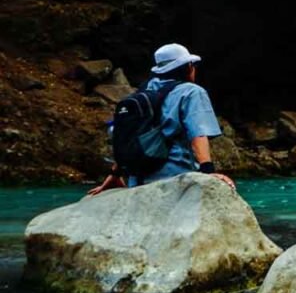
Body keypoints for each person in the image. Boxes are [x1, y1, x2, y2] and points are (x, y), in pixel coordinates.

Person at [88, 43, 235, 195]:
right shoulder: (192, 92)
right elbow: (198, 134)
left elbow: (130, 137)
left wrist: (115, 174)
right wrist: (208, 172)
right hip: (175, 178)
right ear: (188, 67)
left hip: (137, 180)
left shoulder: (144, 90)